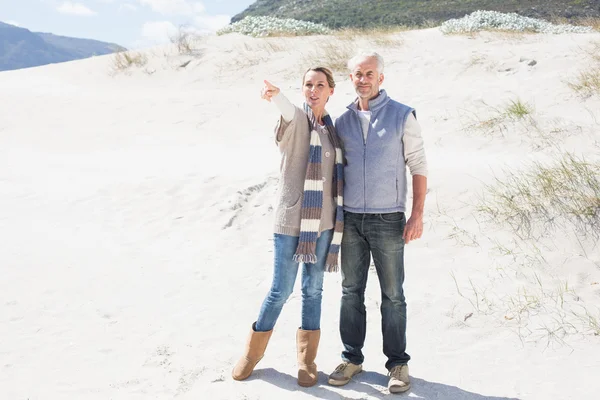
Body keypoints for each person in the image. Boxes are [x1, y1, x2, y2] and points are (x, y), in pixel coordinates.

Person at [232, 67, 344, 387]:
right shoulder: (298, 121)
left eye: (320, 85)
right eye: (308, 84)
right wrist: (276, 96)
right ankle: (252, 355)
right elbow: (288, 110)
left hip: (322, 225)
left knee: (313, 289)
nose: (313, 89)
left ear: (330, 91)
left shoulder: (332, 130)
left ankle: (307, 360)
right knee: (281, 289)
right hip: (290, 221)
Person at [327, 52, 428, 394]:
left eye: (370, 73)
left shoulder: (402, 115)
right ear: (351, 78)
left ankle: (398, 364)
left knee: (393, 295)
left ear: (380, 78)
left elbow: (418, 165)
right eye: (358, 74)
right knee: (350, 292)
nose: (363, 79)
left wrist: (417, 215)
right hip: (352, 220)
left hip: (388, 220)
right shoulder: (342, 120)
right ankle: (351, 359)